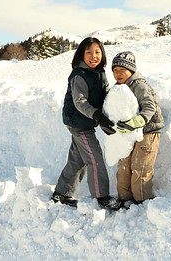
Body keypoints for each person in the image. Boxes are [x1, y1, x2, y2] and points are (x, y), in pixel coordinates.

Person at [51, 37, 121, 211]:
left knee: (78, 160)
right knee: (95, 158)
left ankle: (61, 193)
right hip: (78, 122)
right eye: (88, 52)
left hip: (86, 121)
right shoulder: (79, 75)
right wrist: (98, 116)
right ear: (82, 55)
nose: (93, 56)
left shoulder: (100, 74)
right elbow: (80, 102)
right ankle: (101, 196)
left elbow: (105, 96)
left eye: (97, 52)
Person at [110, 51, 164, 207]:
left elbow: (149, 106)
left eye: (122, 70)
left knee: (141, 167)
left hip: (148, 131)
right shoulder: (118, 87)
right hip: (128, 133)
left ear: (131, 70)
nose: (118, 74)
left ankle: (142, 201)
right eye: (115, 70)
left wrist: (136, 122)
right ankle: (125, 199)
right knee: (124, 165)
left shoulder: (139, 85)